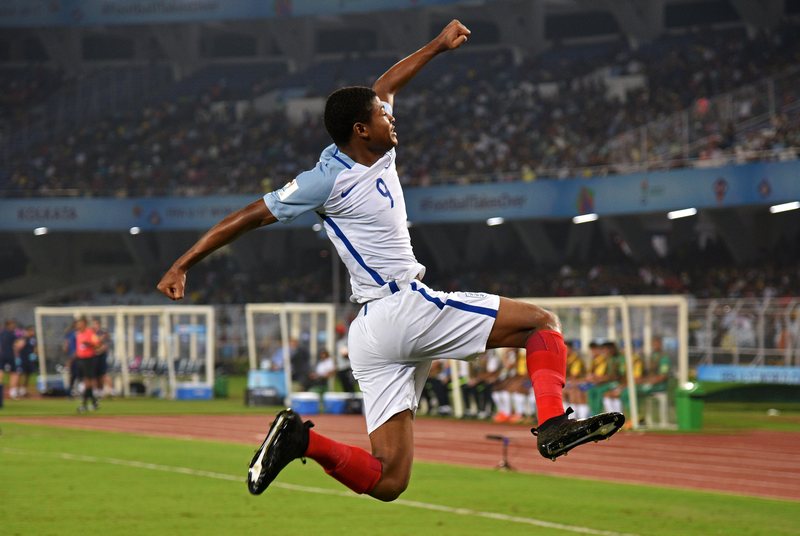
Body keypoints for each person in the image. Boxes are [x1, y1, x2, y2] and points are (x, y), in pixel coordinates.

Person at [157, 20, 624, 502]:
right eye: (382, 115)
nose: (391, 117)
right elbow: (249, 216)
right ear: (361, 129)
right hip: (402, 306)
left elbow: (386, 84)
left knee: (389, 480)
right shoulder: (325, 181)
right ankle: (552, 422)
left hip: (371, 335)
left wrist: (439, 47)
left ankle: (303, 440)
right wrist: (183, 263)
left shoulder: (370, 152)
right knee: (542, 324)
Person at [73, 317, 100, 412]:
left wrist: (89, 344)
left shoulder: (90, 333)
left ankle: (84, 405)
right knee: (86, 382)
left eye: (79, 323)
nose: (78, 325)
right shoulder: (78, 334)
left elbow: (97, 344)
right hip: (80, 360)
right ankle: (94, 402)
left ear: (84, 323)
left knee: (87, 382)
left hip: (89, 359)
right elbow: (79, 348)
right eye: (77, 323)